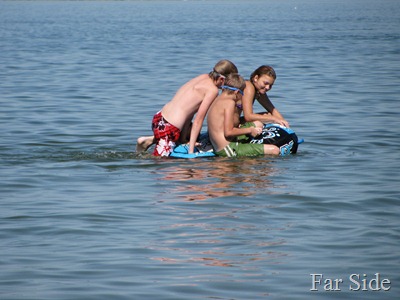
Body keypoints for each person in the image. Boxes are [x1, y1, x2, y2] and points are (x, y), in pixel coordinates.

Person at [136, 59, 238, 156]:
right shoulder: (212, 90)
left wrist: (184, 139)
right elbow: (199, 120)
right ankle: (154, 141)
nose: (228, 87)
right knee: (162, 162)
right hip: (169, 127)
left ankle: (149, 140)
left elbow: (189, 112)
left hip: (159, 118)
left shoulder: (203, 77)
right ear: (221, 79)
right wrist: (191, 150)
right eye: (228, 83)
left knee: (182, 135)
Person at [207, 73, 280, 158]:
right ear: (237, 92)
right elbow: (228, 132)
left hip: (221, 143)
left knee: (258, 123)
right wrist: (250, 130)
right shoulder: (229, 103)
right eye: (242, 94)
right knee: (274, 150)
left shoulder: (219, 99)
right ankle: (251, 165)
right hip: (227, 148)